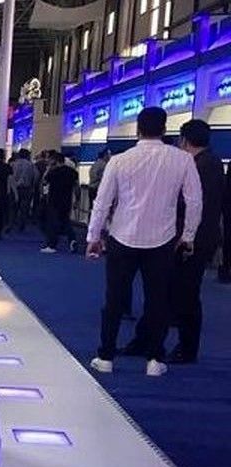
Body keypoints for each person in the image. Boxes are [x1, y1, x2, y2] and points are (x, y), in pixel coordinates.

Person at [86, 107, 201, 377]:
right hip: (162, 240)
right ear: (165, 129)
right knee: (157, 300)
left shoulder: (119, 161)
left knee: (114, 300)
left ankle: (105, 356)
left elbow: (102, 202)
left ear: (138, 130)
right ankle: (154, 359)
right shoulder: (183, 160)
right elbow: (195, 201)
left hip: (122, 237)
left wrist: (93, 237)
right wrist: (188, 236)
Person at [124, 120, 223, 364]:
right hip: (185, 237)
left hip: (191, 240)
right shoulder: (207, 163)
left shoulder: (204, 165)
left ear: (184, 140)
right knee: (165, 291)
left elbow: (195, 205)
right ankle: (147, 340)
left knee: (184, 294)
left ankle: (185, 349)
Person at [40, 151, 79, 253]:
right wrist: (77, 199)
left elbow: (44, 181)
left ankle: (51, 245)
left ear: (55, 161)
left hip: (54, 200)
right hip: (67, 200)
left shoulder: (53, 172)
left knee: (53, 223)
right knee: (66, 221)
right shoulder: (72, 172)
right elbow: (76, 187)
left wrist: (49, 168)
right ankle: (72, 239)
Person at [11, 148, 38, 230]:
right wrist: (33, 185)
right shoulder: (31, 165)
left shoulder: (14, 164)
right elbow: (36, 176)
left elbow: (10, 177)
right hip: (26, 188)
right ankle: (22, 224)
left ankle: (12, 222)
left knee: (14, 206)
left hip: (15, 188)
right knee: (24, 207)